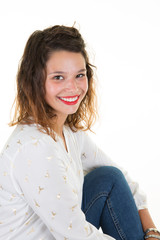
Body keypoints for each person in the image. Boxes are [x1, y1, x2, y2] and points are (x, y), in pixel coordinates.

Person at [0, 25, 159, 240]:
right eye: (58, 77)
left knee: (108, 177)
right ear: (35, 80)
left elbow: (120, 177)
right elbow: (76, 235)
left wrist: (151, 232)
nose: (73, 87)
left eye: (79, 75)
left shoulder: (69, 133)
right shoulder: (35, 148)